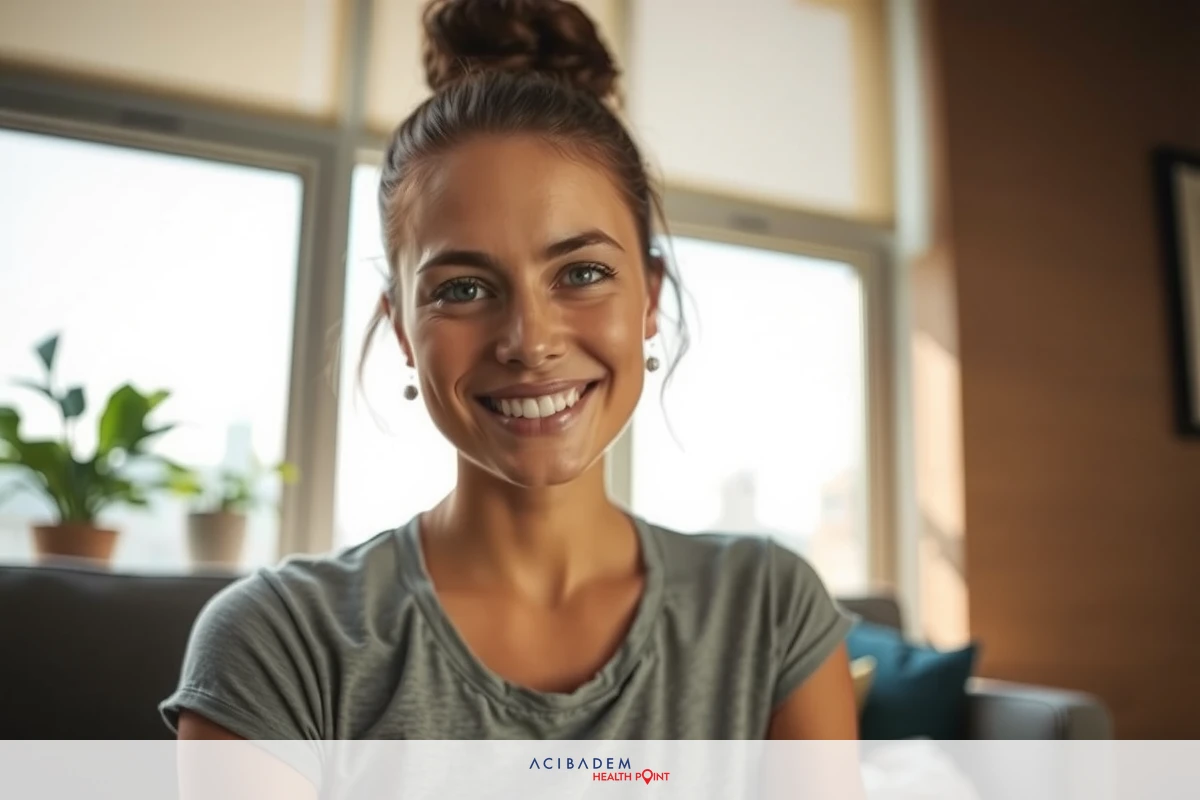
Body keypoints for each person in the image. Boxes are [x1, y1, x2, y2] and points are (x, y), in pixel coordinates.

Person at [162, 0, 857, 755]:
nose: (529, 342)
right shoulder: (278, 644)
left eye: (582, 272)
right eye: (461, 288)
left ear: (649, 298)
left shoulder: (770, 612)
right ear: (402, 328)